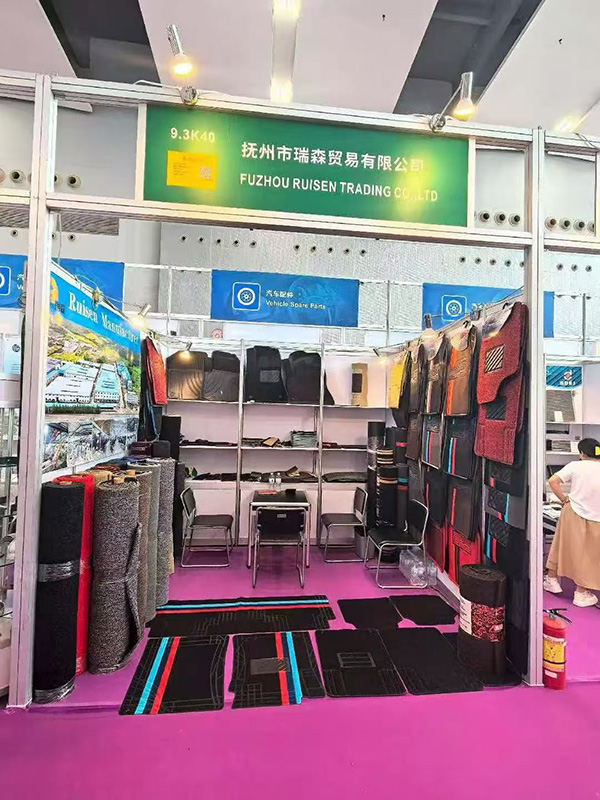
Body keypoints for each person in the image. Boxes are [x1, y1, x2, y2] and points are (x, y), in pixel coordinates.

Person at [545, 438, 600, 607]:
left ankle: (551, 579)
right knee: (589, 553)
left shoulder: (575, 466)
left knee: (561, 544)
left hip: (573, 511)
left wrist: (563, 499)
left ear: (582, 453)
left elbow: (553, 481)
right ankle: (581, 591)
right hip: (597, 516)